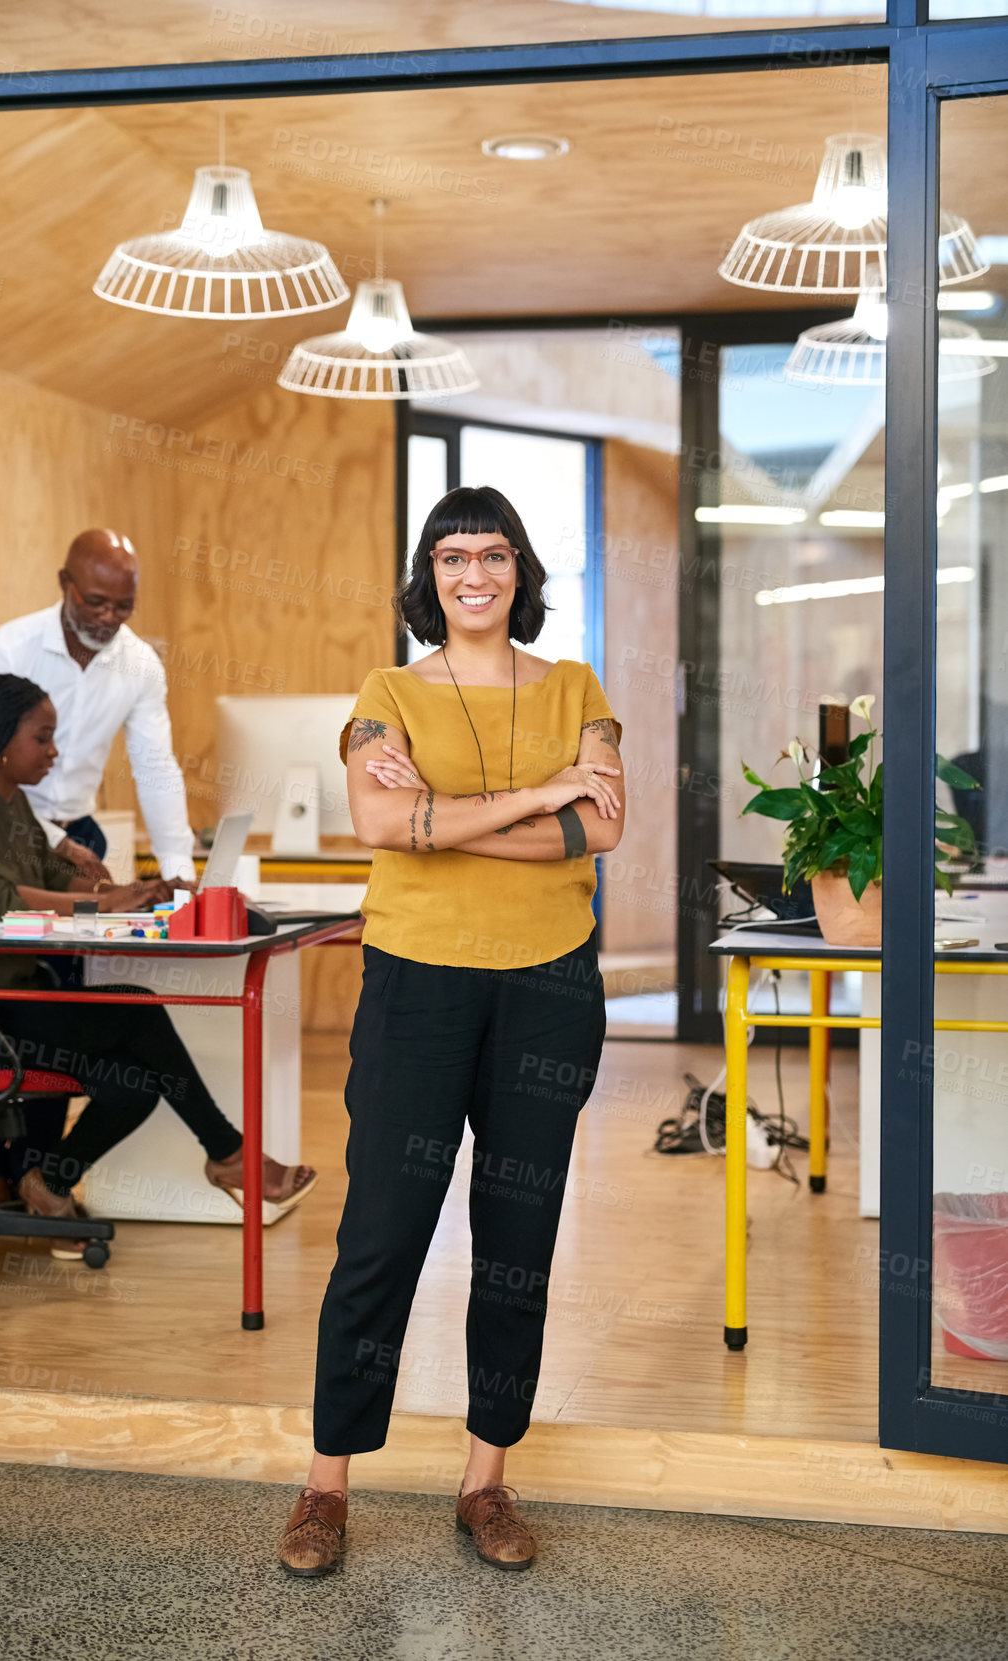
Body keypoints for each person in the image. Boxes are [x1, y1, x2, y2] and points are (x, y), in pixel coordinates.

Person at [277, 486, 625, 1577]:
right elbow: (380, 822)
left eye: (491, 554)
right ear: (426, 578)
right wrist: (539, 797)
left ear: (520, 570)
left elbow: (604, 825)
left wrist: (450, 821)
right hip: (417, 986)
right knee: (381, 1232)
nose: (471, 574)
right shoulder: (386, 691)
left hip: (548, 990)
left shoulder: (576, 685)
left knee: (515, 1246)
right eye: (449, 557)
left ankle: (486, 1478)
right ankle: (325, 1482)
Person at [0, 674, 316, 1242]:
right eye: (42, 738)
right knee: (138, 1010)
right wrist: (100, 900)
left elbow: (53, 879)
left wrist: (133, 892)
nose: (54, 752)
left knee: (133, 1085)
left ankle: (48, 1181)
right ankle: (229, 1153)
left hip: (7, 1005)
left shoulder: (12, 802)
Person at [0, 528, 195, 884]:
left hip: (81, 835)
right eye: (96, 601)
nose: (108, 617)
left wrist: (179, 875)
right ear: (64, 583)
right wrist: (56, 843)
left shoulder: (141, 664)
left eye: (124, 606)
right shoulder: (6, 653)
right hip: (2, 831)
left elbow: (156, 770)